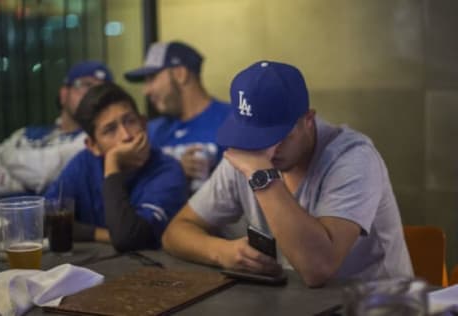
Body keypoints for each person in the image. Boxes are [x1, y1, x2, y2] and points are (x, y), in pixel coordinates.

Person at [162, 61, 413, 287]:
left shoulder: (354, 158)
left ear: (308, 119)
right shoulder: (249, 150)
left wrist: (263, 175)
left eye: (277, 137)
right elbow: (175, 232)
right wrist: (221, 251)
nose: (267, 151)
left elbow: (318, 269)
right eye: (254, 138)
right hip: (298, 303)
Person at [45, 82, 187, 252]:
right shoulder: (83, 163)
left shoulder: (168, 171)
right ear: (93, 146)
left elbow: (127, 238)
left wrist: (112, 162)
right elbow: (44, 219)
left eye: (130, 121)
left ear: (143, 124)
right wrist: (102, 234)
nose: (126, 136)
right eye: (110, 130)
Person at [0, 61, 113, 194]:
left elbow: (41, 174)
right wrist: (24, 187)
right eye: (86, 85)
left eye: (101, 90)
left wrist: (6, 155)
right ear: (64, 94)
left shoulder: (92, 141)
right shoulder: (27, 132)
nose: (93, 94)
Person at [124, 41, 230, 194]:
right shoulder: (152, 131)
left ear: (180, 74)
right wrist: (175, 171)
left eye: (152, 78)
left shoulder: (234, 121)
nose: (146, 91)